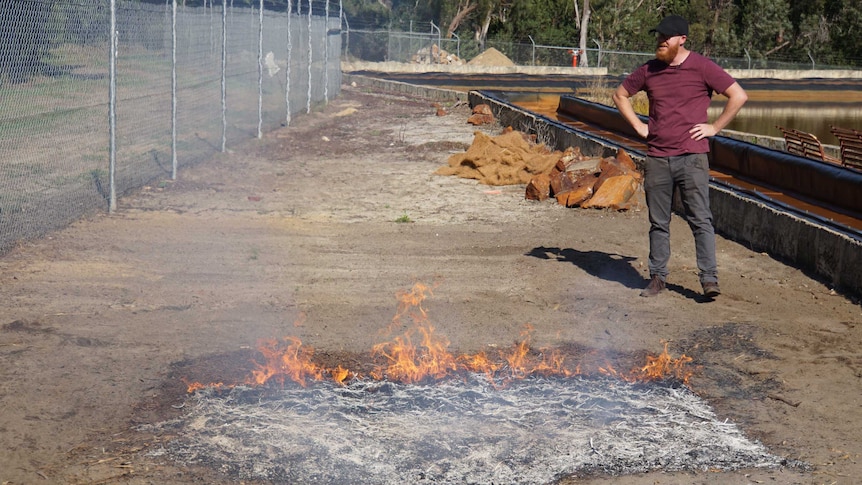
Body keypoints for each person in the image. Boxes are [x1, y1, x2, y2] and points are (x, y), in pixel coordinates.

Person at [612, 14, 748, 298]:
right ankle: (658, 278)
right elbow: (620, 95)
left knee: (700, 219)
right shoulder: (649, 70)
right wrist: (639, 125)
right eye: (658, 37)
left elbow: (738, 95)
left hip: (692, 158)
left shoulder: (702, 67)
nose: (660, 42)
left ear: (682, 39)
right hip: (658, 157)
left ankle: (709, 280)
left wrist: (714, 127)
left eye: (666, 37)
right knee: (659, 222)